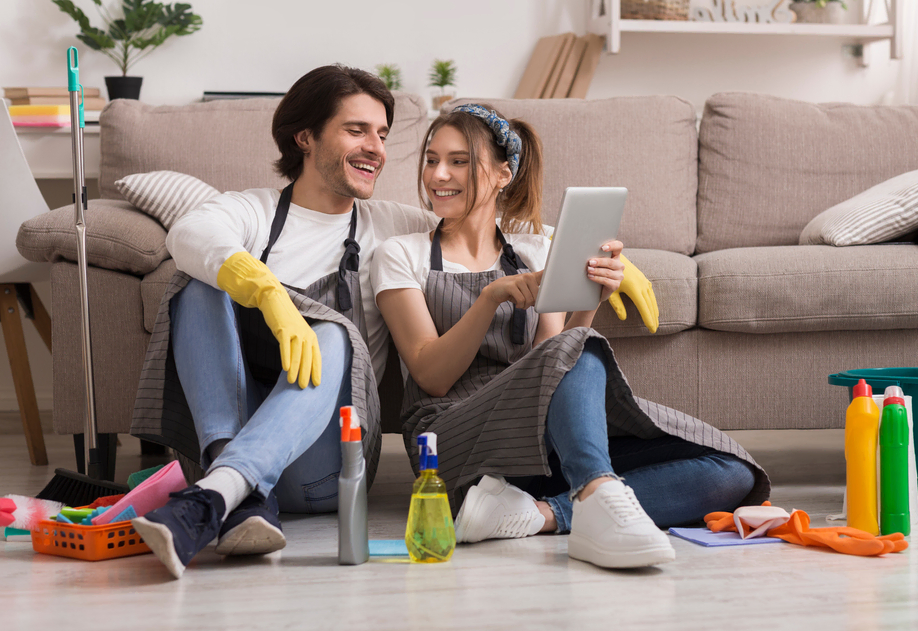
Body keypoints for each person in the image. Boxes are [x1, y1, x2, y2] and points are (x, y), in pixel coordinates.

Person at [125, 64, 664, 579]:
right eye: (357, 130)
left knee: (333, 333)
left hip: (324, 462)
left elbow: (482, 224)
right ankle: (234, 489)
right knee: (198, 281)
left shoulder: (393, 224)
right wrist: (264, 290)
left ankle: (219, 494)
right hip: (235, 440)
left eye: (382, 134)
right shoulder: (252, 212)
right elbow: (192, 234)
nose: (377, 150)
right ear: (305, 138)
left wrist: (593, 261)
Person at [372, 105, 771, 569]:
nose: (438, 174)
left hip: (534, 441)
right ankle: (597, 502)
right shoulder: (401, 253)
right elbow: (430, 374)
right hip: (449, 442)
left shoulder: (535, 250)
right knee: (571, 351)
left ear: (504, 174)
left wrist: (592, 297)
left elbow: (555, 361)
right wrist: (489, 300)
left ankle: (547, 512)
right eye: (431, 159)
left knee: (732, 472)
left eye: (458, 161)